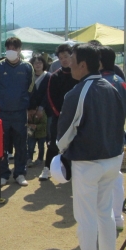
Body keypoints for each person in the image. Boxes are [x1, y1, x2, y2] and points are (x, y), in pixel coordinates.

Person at [57, 44, 126, 250]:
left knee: (86, 216)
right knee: (105, 212)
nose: (69, 64)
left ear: (83, 65)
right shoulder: (112, 86)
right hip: (113, 158)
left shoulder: (78, 92)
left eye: (72, 60)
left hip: (88, 161)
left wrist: (61, 152)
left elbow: (64, 133)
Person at [0, 37, 35, 186]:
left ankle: (20, 173)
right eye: (9, 48)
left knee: (21, 145)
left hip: (20, 113)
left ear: (20, 49)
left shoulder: (27, 67)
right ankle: (3, 174)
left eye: (14, 48)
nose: (11, 51)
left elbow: (31, 88)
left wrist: (23, 103)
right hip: (2, 113)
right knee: (2, 144)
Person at [98, 47, 126, 231]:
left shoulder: (100, 82)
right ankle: (117, 217)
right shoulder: (120, 80)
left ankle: (106, 220)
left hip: (103, 137)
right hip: (118, 135)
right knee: (116, 177)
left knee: (101, 181)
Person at [40, 43, 78, 180]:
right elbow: (50, 97)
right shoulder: (54, 76)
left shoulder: (79, 75)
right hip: (59, 117)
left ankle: (73, 171)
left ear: (72, 56)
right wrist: (59, 114)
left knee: (76, 144)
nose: (64, 60)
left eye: (66, 56)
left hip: (78, 117)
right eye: (61, 58)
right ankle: (47, 169)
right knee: (54, 144)